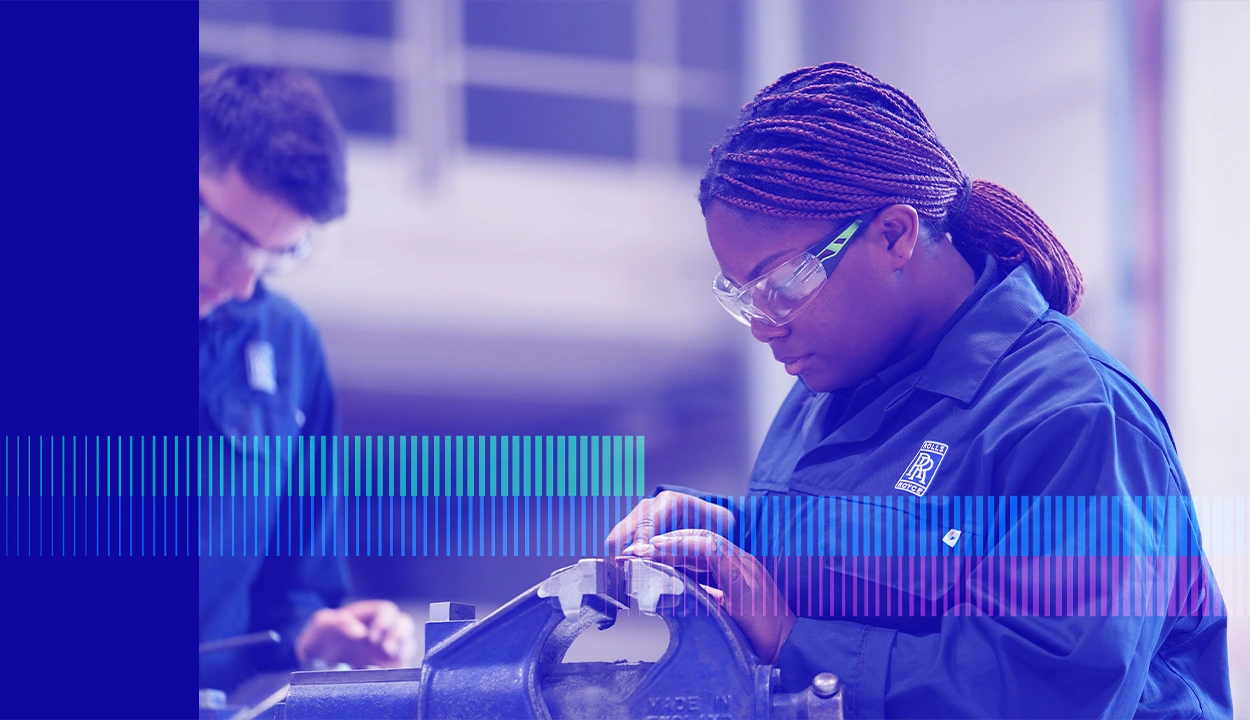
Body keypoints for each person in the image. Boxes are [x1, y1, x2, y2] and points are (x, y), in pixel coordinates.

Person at [607, 62, 1231, 718]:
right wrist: (732, 532)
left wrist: (793, 642)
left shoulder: (1070, 416)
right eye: (741, 296)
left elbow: (1047, 692)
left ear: (895, 235)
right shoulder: (827, 386)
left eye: (782, 284)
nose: (764, 324)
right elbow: (867, 558)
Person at [198, 64, 415, 694]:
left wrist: (315, 633)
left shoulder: (287, 346)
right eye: (230, 240)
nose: (244, 280)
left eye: (276, 255)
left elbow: (289, 588)